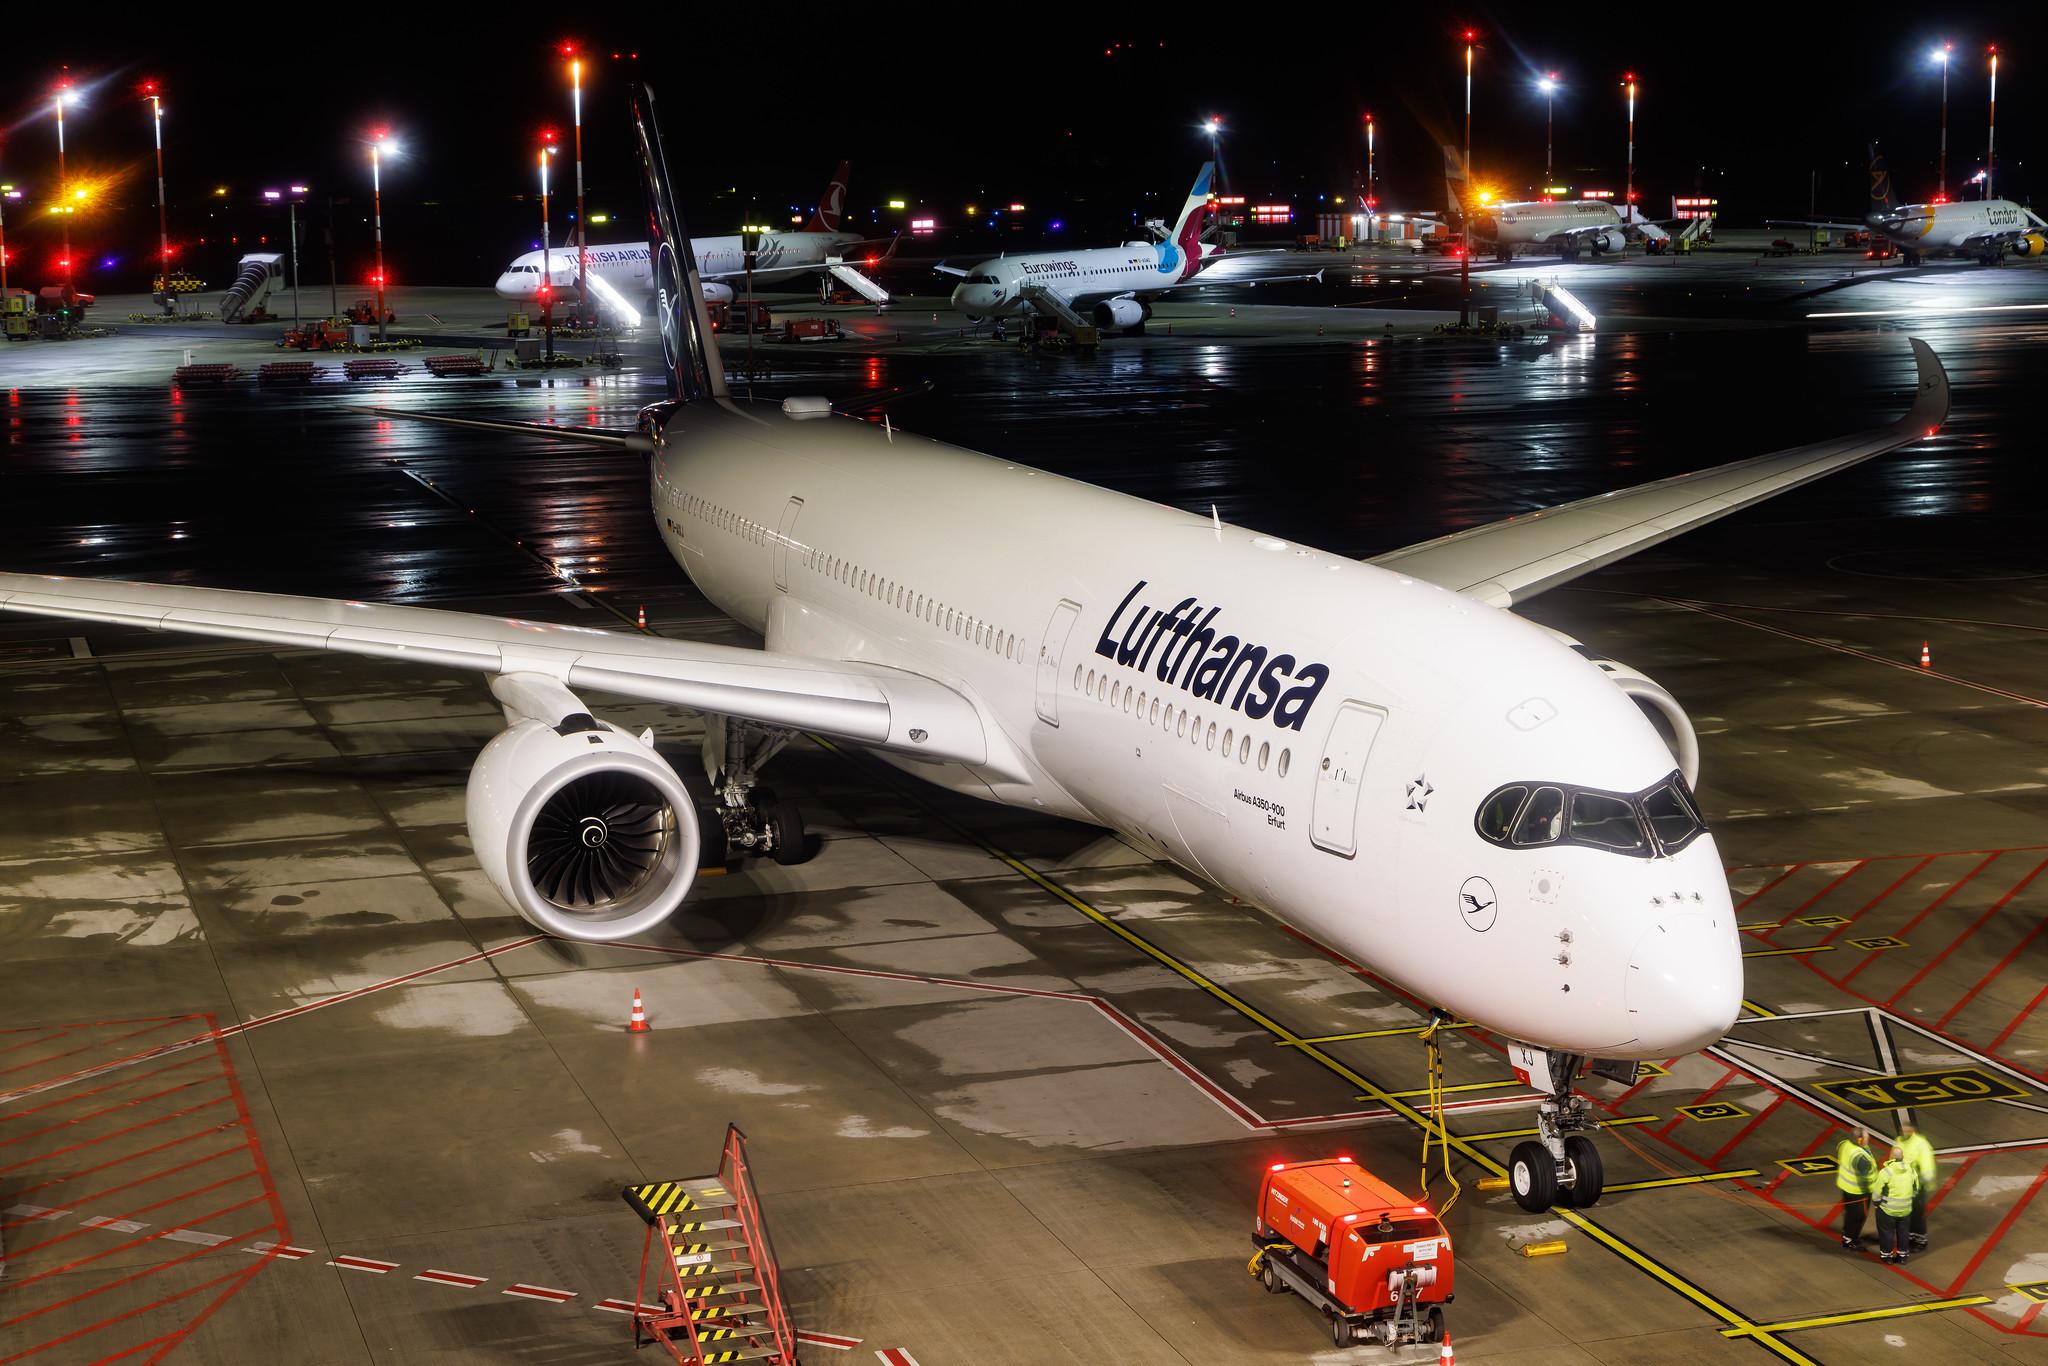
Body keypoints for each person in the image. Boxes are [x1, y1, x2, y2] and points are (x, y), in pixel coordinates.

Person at [1873, 1143, 1921, 1263]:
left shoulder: (1886, 1172)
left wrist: (1876, 1203)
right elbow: (1916, 1188)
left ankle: (1887, 1256)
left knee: (1886, 1233)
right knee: (1903, 1233)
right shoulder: (1910, 1170)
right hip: (1905, 1210)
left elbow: (1877, 1192)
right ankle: (1902, 1256)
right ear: (1902, 1156)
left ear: (1891, 1157)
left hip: (1888, 1210)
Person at [1835, 1126, 1878, 1249]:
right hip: (1858, 1192)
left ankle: (1847, 1234)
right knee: (1858, 1216)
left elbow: (1838, 1149)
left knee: (1850, 1213)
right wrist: (1873, 1190)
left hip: (1846, 1187)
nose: (1869, 1137)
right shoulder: (1860, 1158)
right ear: (1859, 1140)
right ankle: (1850, 1240)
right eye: (1866, 1136)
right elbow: (1864, 1179)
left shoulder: (1845, 1144)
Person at [1899, 1120, 1937, 1251]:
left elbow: (1927, 1166)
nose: (1904, 1132)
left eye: (1907, 1130)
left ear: (1913, 1130)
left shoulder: (1921, 1145)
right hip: (1903, 1185)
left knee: (1917, 1214)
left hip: (1917, 1185)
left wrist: (1922, 1183)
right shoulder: (1900, 1141)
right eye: (1903, 1130)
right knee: (1907, 1212)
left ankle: (1921, 1240)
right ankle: (1910, 1236)